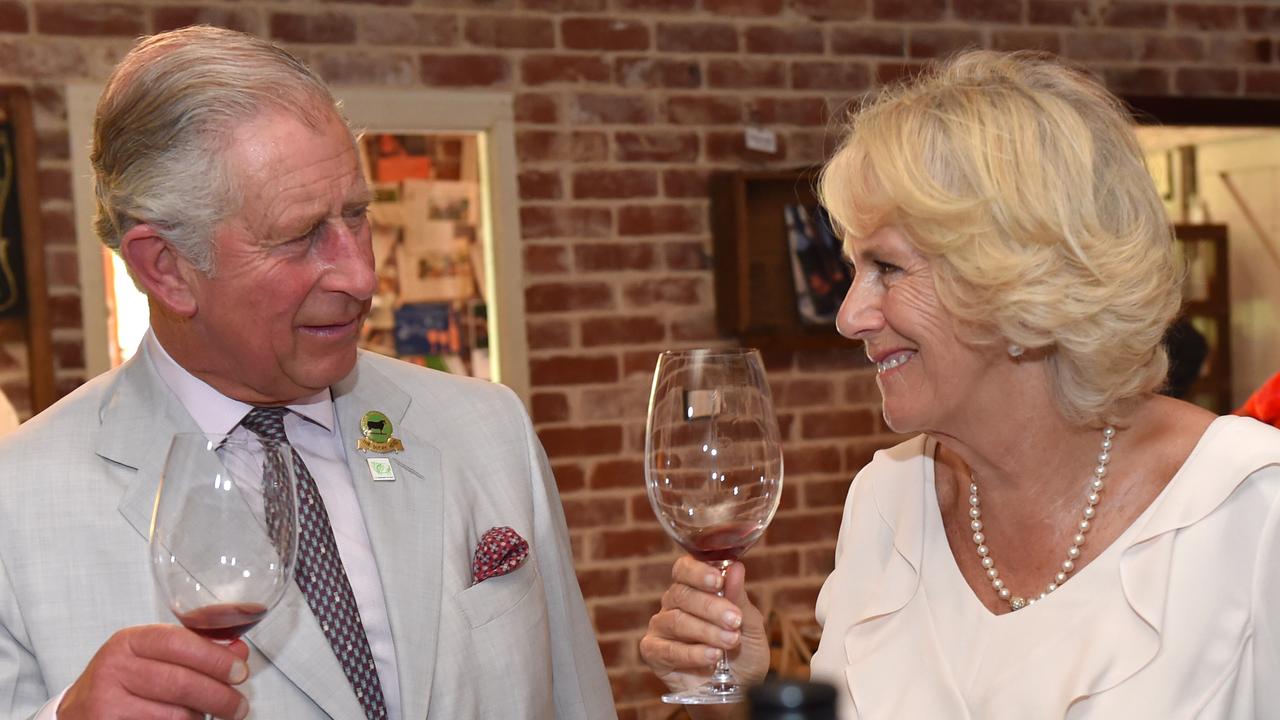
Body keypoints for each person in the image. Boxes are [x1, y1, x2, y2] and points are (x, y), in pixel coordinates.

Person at [641, 50, 1280, 718]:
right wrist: (742, 690)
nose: (849, 317)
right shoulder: (887, 501)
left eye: (887, 266)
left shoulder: (1249, 507)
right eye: (854, 268)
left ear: (1021, 286)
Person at [0, 26, 614, 720]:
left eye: (356, 215)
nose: (361, 275)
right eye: (300, 237)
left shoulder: (487, 428)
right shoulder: (16, 506)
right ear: (165, 267)